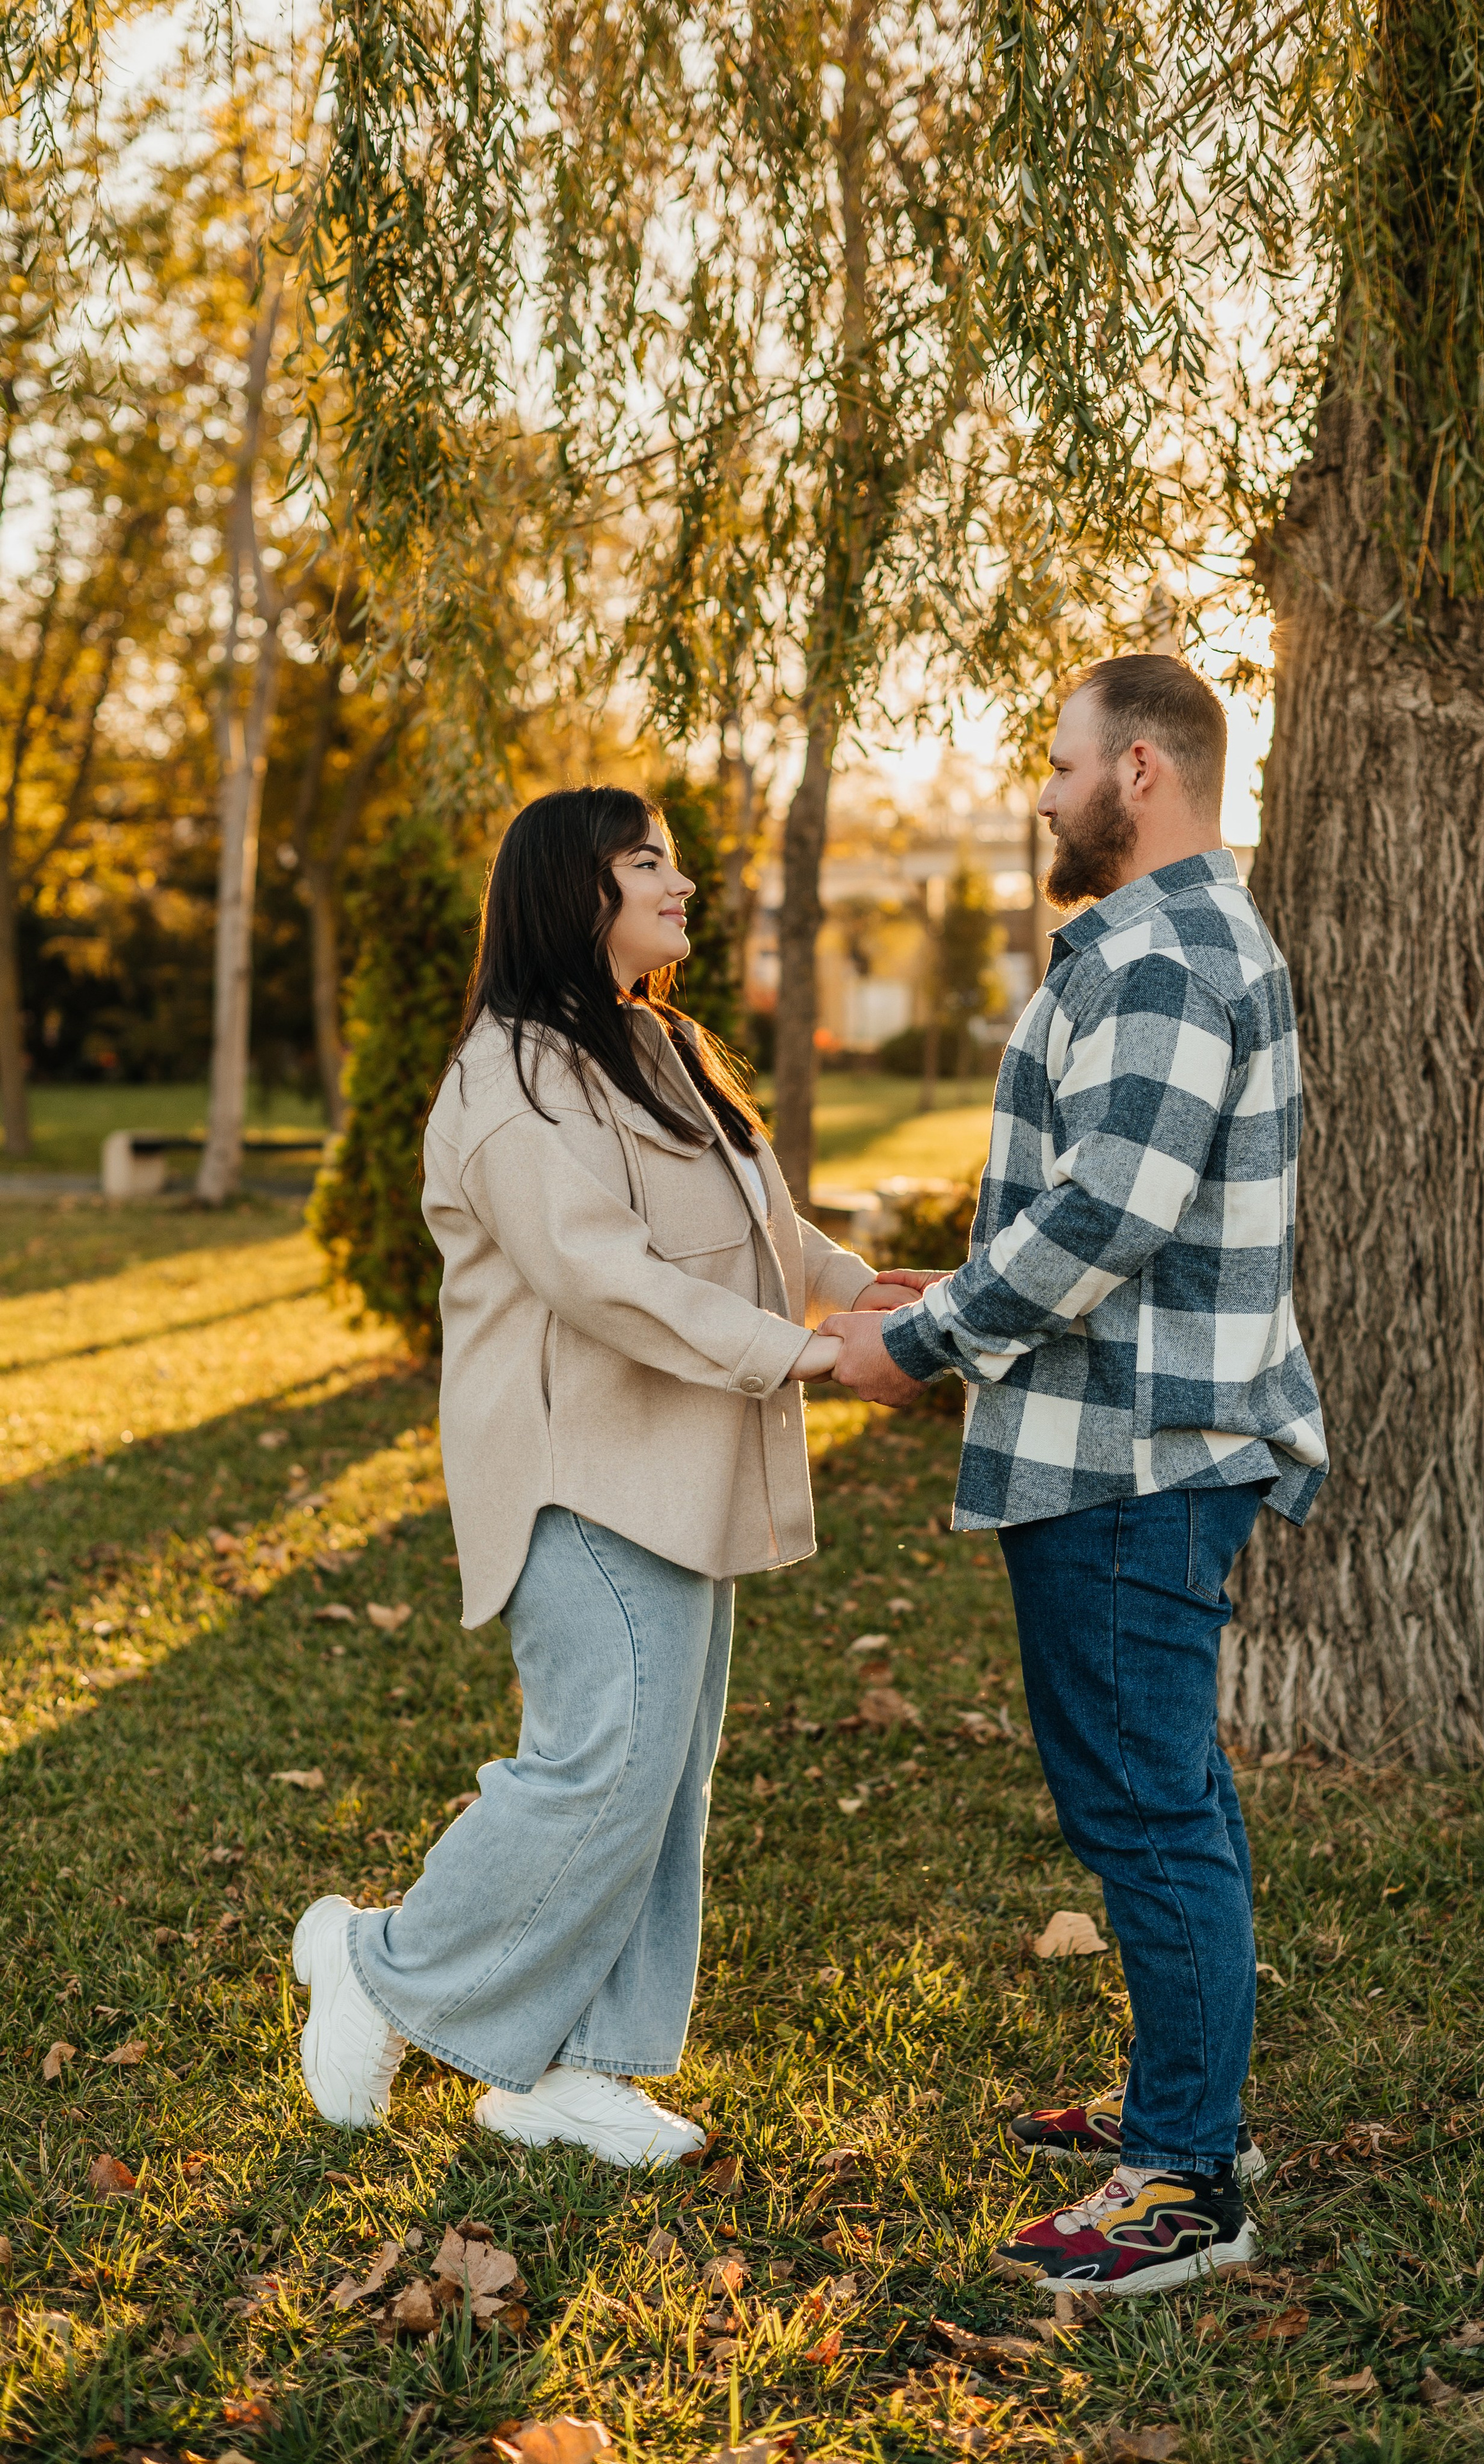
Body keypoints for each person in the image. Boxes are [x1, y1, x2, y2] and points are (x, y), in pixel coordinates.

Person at [290, 786, 917, 2164]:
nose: (680, 886)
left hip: (676, 1458)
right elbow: (604, 1279)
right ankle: (379, 1960)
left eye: (674, 865)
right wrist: (809, 1364)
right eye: (649, 864)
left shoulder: (655, 1040)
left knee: (663, 1770)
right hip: (576, 1466)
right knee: (596, 1763)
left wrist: (868, 1296)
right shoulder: (508, 1078)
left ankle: (582, 2071)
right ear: (574, 892)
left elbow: (758, 1221)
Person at [821, 655, 1328, 2295]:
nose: (1035, 791)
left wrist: (919, 1345)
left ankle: (1182, 2181)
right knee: (1162, 1790)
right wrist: (947, 1286)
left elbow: (1113, 1209)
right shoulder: (1157, 946)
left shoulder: (1169, 948)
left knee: (1143, 1807)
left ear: (1137, 774)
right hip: (1130, 1439)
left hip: (1133, 1455)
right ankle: (1191, 2110)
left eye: (1056, 763)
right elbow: (1090, 1200)